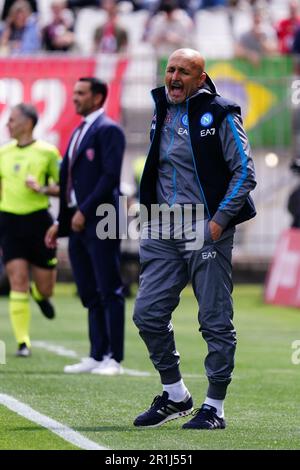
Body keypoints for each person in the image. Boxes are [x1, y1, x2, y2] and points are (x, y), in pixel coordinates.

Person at [133, 48, 257, 429]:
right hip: (162, 227)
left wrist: (219, 222)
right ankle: (175, 394)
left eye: (184, 71)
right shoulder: (161, 107)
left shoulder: (220, 113)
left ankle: (215, 407)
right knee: (147, 314)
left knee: (214, 320)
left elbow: (245, 173)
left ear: (201, 78)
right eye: (170, 69)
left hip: (205, 227)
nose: (174, 77)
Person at [45, 77, 126, 376]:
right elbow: (70, 181)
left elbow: (109, 177)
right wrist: (61, 222)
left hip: (104, 216)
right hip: (79, 220)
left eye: (81, 93)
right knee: (89, 289)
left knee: (110, 287)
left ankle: (114, 358)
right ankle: (97, 353)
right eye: (75, 92)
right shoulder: (79, 130)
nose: (75, 98)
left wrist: (85, 210)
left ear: (98, 97)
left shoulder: (109, 130)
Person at [0, 103, 61, 357]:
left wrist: (42, 188)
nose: (8, 124)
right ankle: (23, 342)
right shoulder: (3, 152)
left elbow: (62, 186)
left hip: (39, 222)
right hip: (9, 222)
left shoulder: (47, 152)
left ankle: (39, 294)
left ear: (27, 123)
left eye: (12, 120)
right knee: (17, 281)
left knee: (46, 288)